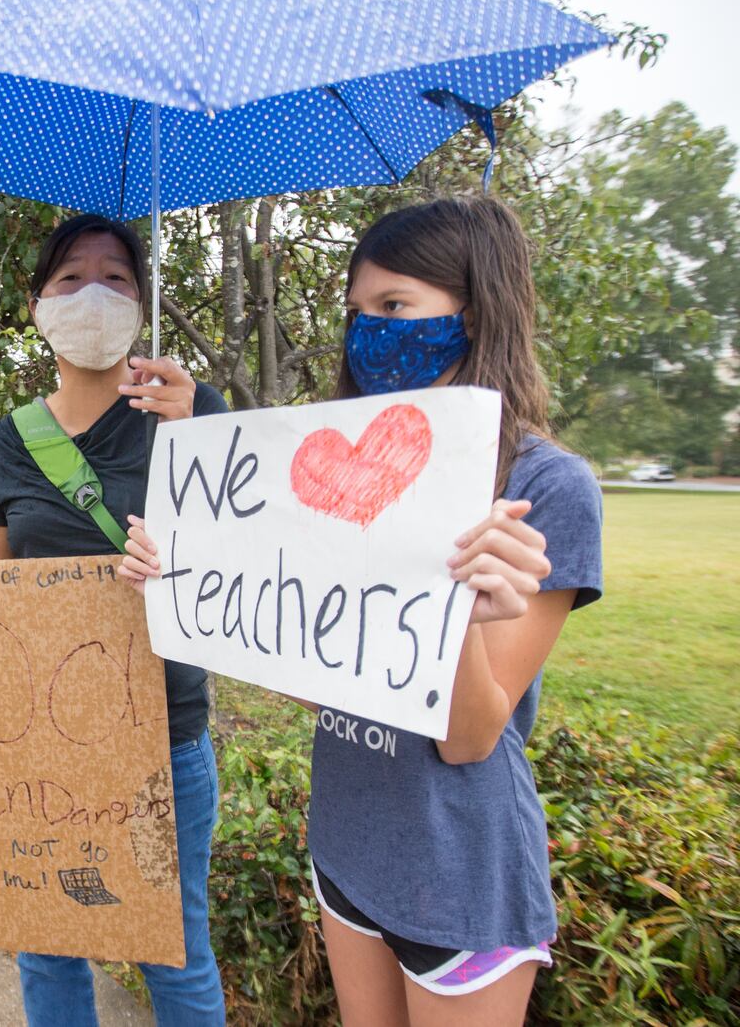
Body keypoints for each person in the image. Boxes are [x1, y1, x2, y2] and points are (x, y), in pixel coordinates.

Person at [122, 197, 602, 1026]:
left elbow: (470, 736)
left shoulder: (549, 488)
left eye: (394, 307)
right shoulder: (346, 474)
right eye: (356, 312)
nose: (367, 333)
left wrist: (455, 604)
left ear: (477, 311)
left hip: (459, 874)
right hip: (347, 844)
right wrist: (186, 573)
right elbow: (321, 666)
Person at [0, 212, 230, 1026]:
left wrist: (204, 435)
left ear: (142, 304)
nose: (93, 295)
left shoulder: (190, 415)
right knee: (46, 946)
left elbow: (246, 582)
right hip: (36, 742)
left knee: (173, 953)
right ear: (37, 305)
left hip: (165, 736)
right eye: (70, 278)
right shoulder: (5, 446)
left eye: (116, 277)